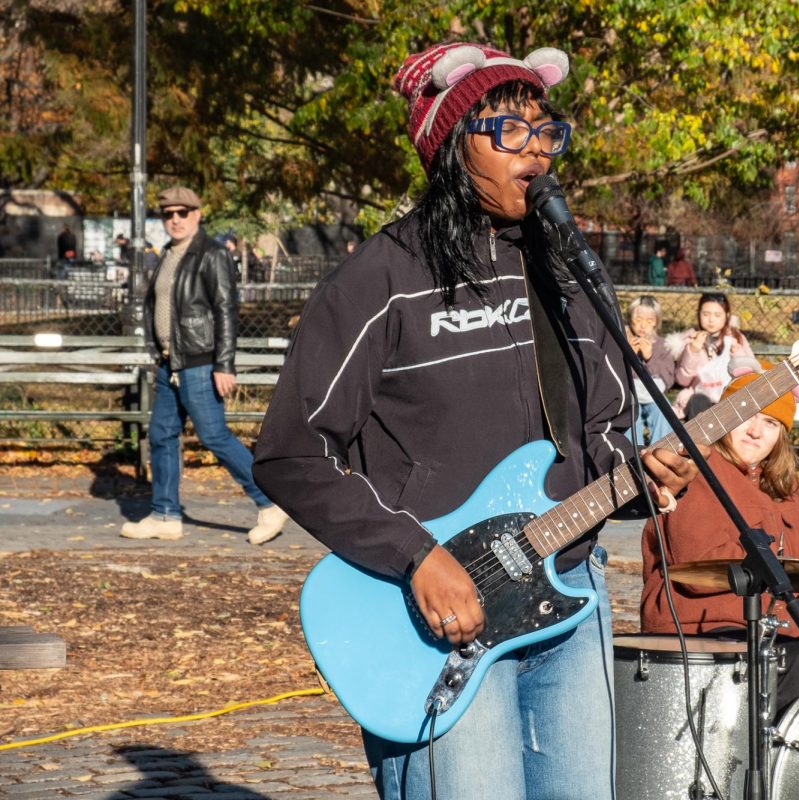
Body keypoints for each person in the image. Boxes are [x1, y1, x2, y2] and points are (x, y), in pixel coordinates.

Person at [249, 42, 698, 800]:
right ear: (452, 147)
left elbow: (605, 434)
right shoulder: (381, 280)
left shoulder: (571, 274)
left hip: (569, 597)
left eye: (545, 131)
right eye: (509, 131)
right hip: (440, 616)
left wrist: (647, 477)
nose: (537, 151)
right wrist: (416, 556)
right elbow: (292, 454)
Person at [641, 372, 799, 709]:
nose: (756, 431)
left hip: (772, 632)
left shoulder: (784, 486)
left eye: (771, 423)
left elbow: (792, 571)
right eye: (746, 417)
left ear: (782, 435)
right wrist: (783, 562)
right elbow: (700, 567)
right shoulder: (694, 467)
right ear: (723, 417)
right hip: (704, 627)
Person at [120, 186, 289, 546]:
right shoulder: (167, 254)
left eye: (183, 212)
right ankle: (165, 515)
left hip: (200, 363)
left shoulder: (211, 254)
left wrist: (224, 364)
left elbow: (226, 310)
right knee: (161, 436)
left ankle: (270, 503)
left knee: (214, 435)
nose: (175, 219)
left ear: (197, 214)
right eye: (168, 214)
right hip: (169, 364)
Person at [669, 291, 756, 419]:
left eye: (717, 315)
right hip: (701, 397)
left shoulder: (736, 337)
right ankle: (699, 440)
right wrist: (692, 352)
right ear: (699, 314)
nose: (711, 320)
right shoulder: (690, 338)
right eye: (706, 314)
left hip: (730, 395)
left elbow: (749, 375)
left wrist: (736, 351)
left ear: (726, 316)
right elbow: (682, 380)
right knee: (699, 401)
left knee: (734, 403)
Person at [625, 295, 676, 447]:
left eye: (649, 321)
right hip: (631, 393)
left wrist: (649, 358)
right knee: (630, 414)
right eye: (638, 319)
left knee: (664, 410)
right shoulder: (622, 340)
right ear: (630, 318)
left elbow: (668, 378)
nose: (643, 325)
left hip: (654, 394)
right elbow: (616, 372)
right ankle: (633, 452)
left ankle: (660, 450)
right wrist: (629, 355)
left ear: (656, 323)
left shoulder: (662, 345)